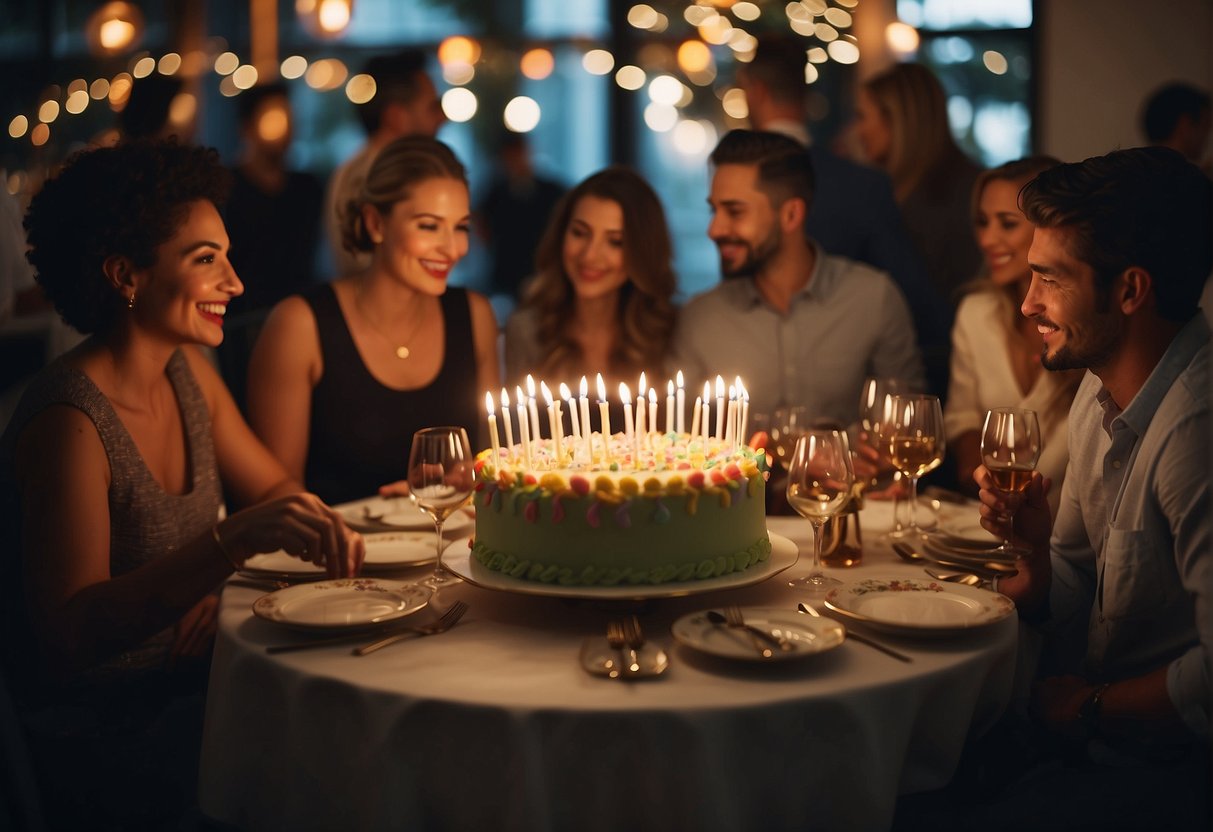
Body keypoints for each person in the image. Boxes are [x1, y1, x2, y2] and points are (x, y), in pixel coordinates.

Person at [0, 140, 362, 830]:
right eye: (206, 260)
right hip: (105, 737)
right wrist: (222, 551)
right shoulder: (69, 422)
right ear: (123, 276)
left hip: (192, 689)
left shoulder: (186, 372)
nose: (235, 282)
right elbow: (68, 637)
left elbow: (275, 488)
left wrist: (222, 574)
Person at [969, 147, 1211, 829]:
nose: (1027, 302)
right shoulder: (1095, 390)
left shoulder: (1196, 430)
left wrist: (1086, 708)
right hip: (1088, 746)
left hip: (1169, 777)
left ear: (1128, 291)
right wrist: (1036, 560)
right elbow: (1078, 577)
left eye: (1048, 278)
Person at [248, 136, 499, 506]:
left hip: (450, 547)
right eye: (429, 226)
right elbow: (274, 505)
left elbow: (491, 468)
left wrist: (470, 483)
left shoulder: (475, 316)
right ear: (374, 223)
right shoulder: (300, 325)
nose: (453, 248)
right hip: (335, 557)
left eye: (460, 227)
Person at [674, 128, 924, 431]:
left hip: (852, 480)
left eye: (734, 212)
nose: (714, 229)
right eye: (714, 210)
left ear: (791, 215)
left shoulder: (874, 298)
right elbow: (679, 442)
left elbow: (907, 423)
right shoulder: (699, 319)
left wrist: (839, 455)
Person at [739, 35, 949, 373]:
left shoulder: (734, 183)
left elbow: (913, 302)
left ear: (756, 91)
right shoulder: (861, 184)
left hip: (762, 375)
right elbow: (918, 306)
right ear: (805, 94)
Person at [944, 157, 1082, 512]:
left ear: (1050, 224)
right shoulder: (977, 313)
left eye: (1007, 223)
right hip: (987, 519)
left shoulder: (1088, 323)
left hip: (1071, 531)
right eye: (982, 222)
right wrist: (988, 481)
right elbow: (961, 420)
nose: (988, 239)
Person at [504, 167, 676, 397]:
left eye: (615, 241)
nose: (589, 255)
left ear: (642, 252)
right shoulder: (527, 330)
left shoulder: (670, 331)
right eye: (580, 233)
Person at [218, 83, 325, 414]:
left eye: (288, 119)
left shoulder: (307, 188)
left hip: (302, 321)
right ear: (246, 127)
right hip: (240, 330)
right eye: (272, 119)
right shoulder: (225, 189)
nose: (284, 130)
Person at [855, 63, 984, 316]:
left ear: (896, 119)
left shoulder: (947, 196)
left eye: (862, 116)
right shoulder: (907, 188)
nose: (858, 131)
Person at [324, 48, 446, 278]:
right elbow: (367, 267)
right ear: (396, 116)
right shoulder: (370, 175)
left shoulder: (369, 167)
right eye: (433, 107)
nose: (443, 118)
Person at [476, 133, 566, 317]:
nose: (515, 161)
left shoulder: (551, 190)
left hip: (541, 268)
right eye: (509, 156)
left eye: (518, 154)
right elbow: (480, 223)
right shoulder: (495, 192)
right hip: (506, 271)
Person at [1140, 81, 1211, 167]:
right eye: (1205, 126)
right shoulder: (1187, 178)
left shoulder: (1135, 172)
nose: (1207, 138)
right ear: (1185, 125)